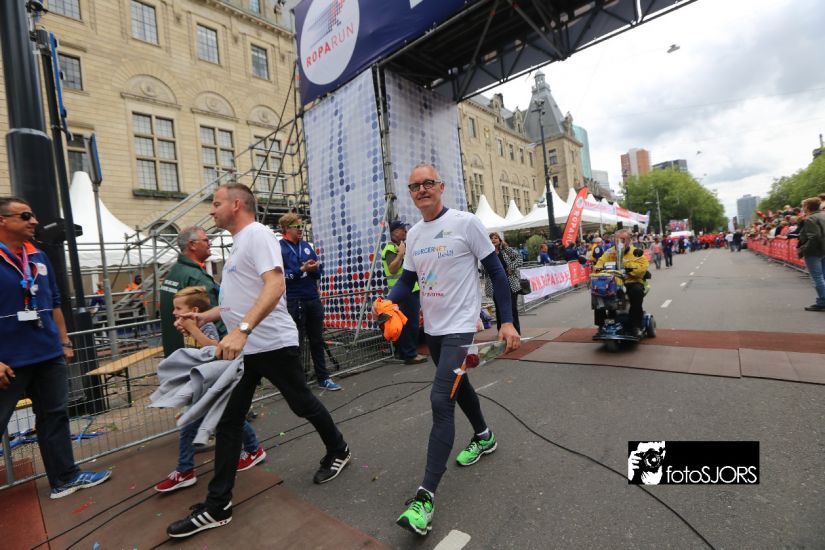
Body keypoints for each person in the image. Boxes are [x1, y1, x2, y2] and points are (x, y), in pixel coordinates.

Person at [167, 184, 350, 538]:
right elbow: (237, 301)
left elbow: (275, 286)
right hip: (246, 350)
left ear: (236, 205)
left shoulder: (258, 235)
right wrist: (204, 316)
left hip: (271, 345)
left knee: (302, 404)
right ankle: (218, 505)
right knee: (229, 421)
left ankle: (338, 449)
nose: (211, 210)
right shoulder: (239, 244)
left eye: (216, 203)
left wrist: (242, 330)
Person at [381, 164, 520, 536]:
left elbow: (497, 273)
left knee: (441, 400)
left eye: (428, 183)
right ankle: (484, 436)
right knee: (460, 387)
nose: (422, 189)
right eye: (415, 186)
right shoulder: (414, 234)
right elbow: (407, 280)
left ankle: (424, 499)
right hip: (435, 332)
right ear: (411, 193)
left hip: (461, 329)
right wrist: (387, 304)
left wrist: (506, 321)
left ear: (441, 187)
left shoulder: (466, 223)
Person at [0, 196, 112, 499]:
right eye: (26, 216)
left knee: (55, 417)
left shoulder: (38, 255)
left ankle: (65, 479)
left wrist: (63, 341)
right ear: (2, 221)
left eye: (33, 215)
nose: (34, 221)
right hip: (7, 362)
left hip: (48, 354)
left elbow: (54, 302)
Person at [154, 286, 265, 493]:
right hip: (204, 382)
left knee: (190, 425)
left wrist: (194, 330)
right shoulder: (189, 327)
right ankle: (253, 449)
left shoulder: (206, 326)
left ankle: (185, 470)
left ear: (194, 311)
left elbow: (215, 349)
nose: (174, 312)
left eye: (178, 308)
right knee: (229, 418)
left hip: (212, 381)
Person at [278, 213, 341, 391]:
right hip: (294, 300)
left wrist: (314, 269)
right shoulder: (279, 248)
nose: (301, 230)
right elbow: (281, 277)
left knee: (317, 340)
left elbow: (318, 272)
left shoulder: (305, 246)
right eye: (297, 227)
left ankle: (323, 377)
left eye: (302, 227)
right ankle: (298, 383)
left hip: (312, 298)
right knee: (295, 343)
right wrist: (301, 269)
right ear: (286, 228)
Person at [159, 226, 225, 358]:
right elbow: (215, 318)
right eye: (205, 240)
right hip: (199, 356)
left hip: (177, 351)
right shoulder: (196, 276)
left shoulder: (175, 271)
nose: (210, 243)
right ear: (192, 245)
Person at [381, 220, 427, 364]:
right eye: (402, 229)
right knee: (409, 324)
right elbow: (392, 269)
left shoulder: (401, 246)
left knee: (409, 323)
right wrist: (401, 253)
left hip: (408, 290)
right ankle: (410, 354)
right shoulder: (391, 248)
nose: (406, 232)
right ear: (395, 232)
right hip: (403, 292)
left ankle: (406, 353)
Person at [594, 230, 650, 336]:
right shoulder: (609, 252)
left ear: (629, 240)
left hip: (631, 281)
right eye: (617, 240)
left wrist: (624, 263)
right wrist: (598, 269)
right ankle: (601, 325)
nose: (619, 242)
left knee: (637, 292)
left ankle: (636, 326)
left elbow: (642, 269)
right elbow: (599, 264)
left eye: (623, 240)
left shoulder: (636, 252)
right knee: (597, 293)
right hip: (613, 282)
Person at [481, 232, 522, 334]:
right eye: (491, 238)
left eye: (496, 238)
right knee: (499, 309)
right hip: (495, 285)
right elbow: (483, 270)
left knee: (512, 308)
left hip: (510, 283)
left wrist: (511, 267)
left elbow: (519, 259)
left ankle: (516, 331)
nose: (493, 240)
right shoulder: (487, 253)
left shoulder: (506, 250)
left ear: (499, 240)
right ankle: (501, 332)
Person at [796, 197, 825, 312]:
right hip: (823, 249)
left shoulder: (811, 219)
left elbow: (814, 237)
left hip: (814, 251)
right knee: (822, 276)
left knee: (817, 277)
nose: (802, 208)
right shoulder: (823, 215)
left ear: (807, 207)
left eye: (803, 206)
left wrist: (803, 249)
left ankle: (822, 301)